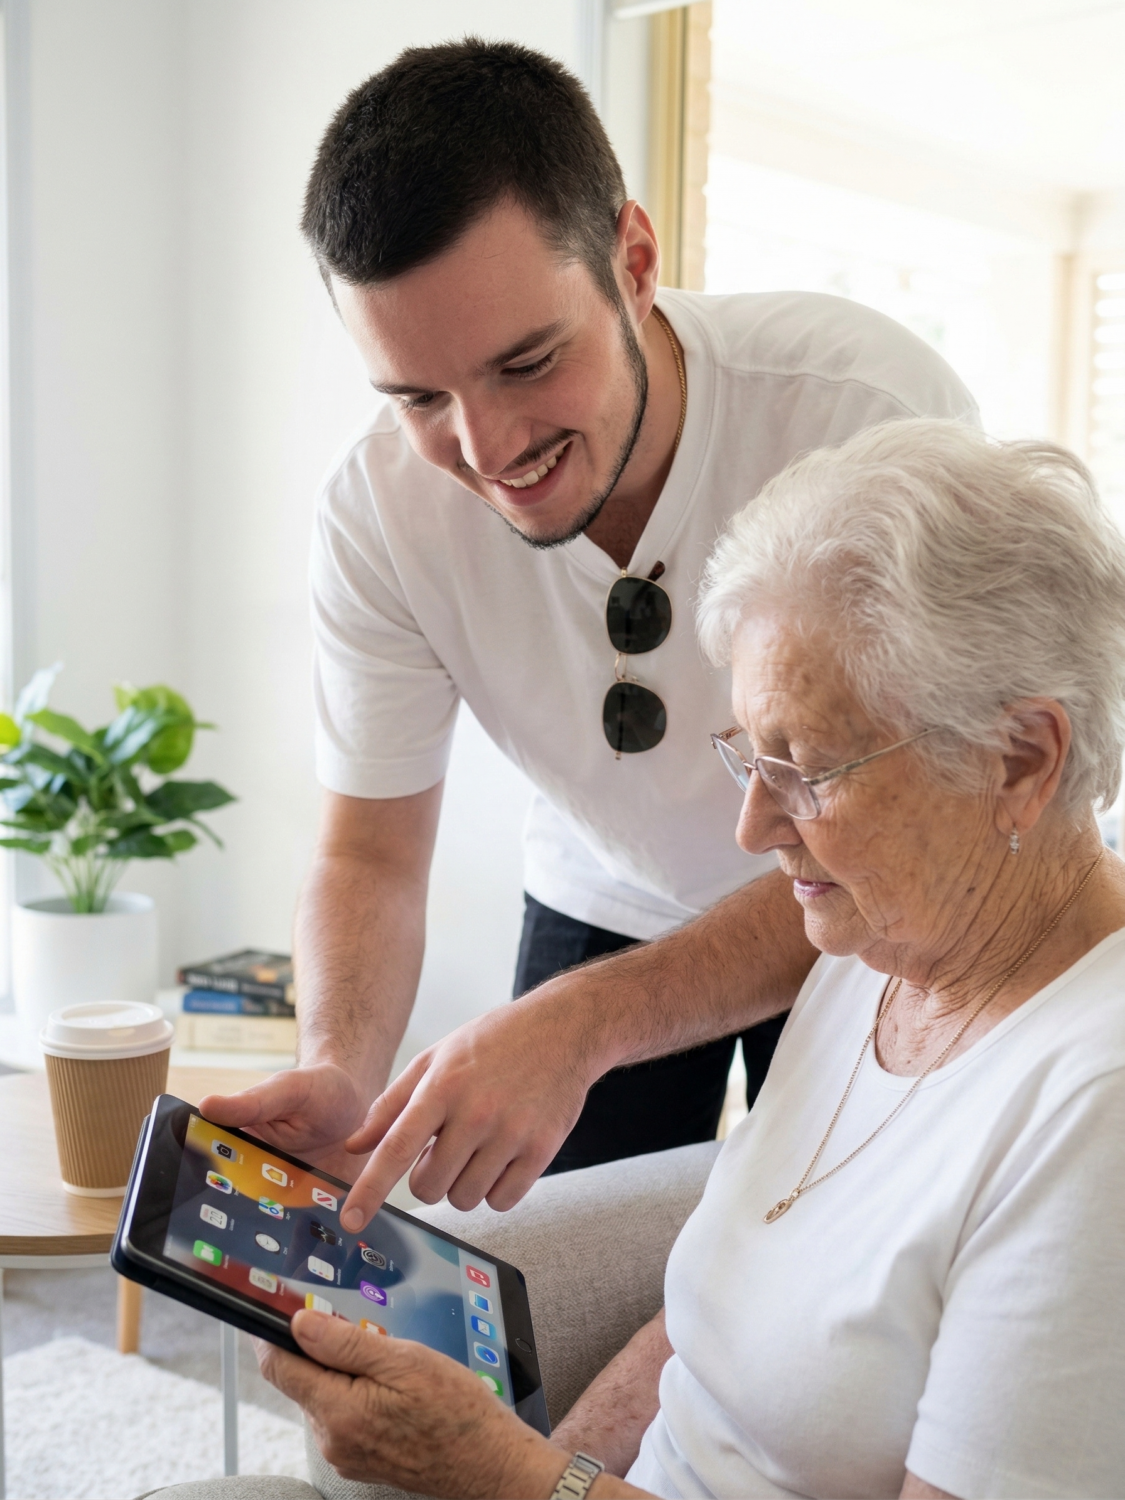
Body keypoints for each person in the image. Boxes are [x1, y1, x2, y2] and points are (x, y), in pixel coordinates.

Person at [256, 419, 1125, 1500]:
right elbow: (717, 1330)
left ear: (1020, 759)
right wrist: (550, 1466)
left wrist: (500, 1476)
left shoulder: (1092, 1115)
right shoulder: (885, 938)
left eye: (807, 770)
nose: (754, 829)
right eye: (750, 756)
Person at [203, 38, 978, 1198]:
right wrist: (338, 1066)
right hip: (601, 892)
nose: (486, 450)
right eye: (419, 396)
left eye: (526, 362)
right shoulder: (376, 512)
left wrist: (586, 1021)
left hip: (865, 889)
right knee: (554, 1281)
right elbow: (370, 852)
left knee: (829, 1271)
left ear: (634, 260)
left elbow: (928, 829)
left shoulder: (868, 417)